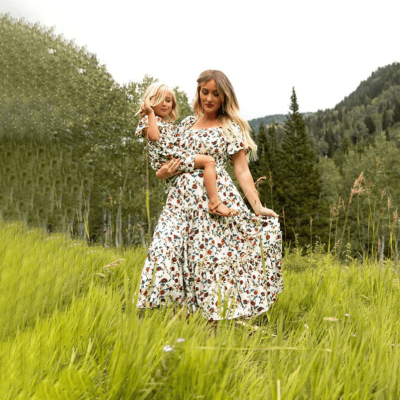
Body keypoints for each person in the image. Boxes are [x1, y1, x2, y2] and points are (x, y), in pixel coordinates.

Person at [137, 71, 283, 321]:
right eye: (205, 91)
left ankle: (216, 321)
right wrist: (161, 174)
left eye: (216, 93)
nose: (209, 98)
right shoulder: (184, 124)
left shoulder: (230, 127)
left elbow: (242, 170)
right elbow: (167, 156)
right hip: (181, 202)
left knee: (211, 260)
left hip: (214, 200)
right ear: (198, 92)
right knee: (168, 251)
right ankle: (178, 317)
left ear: (224, 96)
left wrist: (257, 207)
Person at [136, 82, 238, 217]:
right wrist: (149, 113)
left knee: (206, 161)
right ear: (149, 102)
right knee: (208, 161)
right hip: (170, 159)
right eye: (159, 100)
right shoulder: (149, 120)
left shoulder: (172, 124)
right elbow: (154, 137)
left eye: (168, 100)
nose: (165, 104)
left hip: (175, 158)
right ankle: (214, 202)